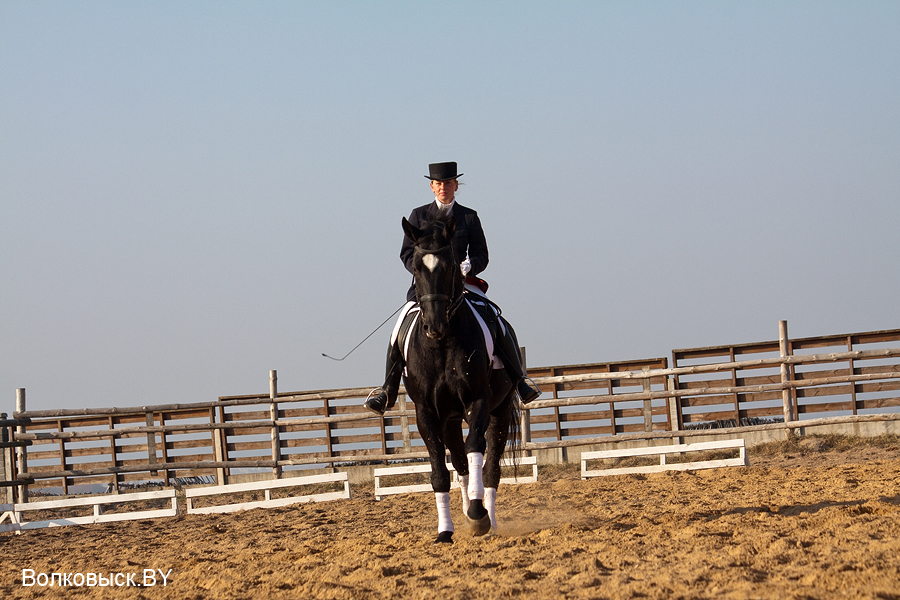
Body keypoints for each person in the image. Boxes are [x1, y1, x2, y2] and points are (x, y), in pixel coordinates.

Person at [364, 161, 541, 415]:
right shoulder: (418, 216)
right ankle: (387, 389)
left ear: (455, 185)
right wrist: (424, 273)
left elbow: (482, 254)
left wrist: (469, 266)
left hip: (464, 284)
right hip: (429, 289)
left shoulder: (468, 216)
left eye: (448, 183)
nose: (443, 187)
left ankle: (520, 380)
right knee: (399, 326)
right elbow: (406, 254)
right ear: (432, 187)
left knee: (495, 320)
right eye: (438, 183)